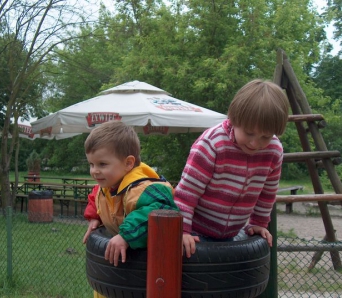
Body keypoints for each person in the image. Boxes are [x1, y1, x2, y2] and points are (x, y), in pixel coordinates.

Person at [174, 79, 290, 258]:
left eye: (265, 136)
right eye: (249, 133)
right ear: (234, 119)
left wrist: (258, 222)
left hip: (232, 234)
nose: (255, 143)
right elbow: (186, 195)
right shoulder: (213, 144)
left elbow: (267, 193)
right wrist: (182, 232)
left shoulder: (273, 151)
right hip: (196, 231)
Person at [82, 120, 178, 271]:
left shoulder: (144, 190)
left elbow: (162, 208)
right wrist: (95, 215)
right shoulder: (107, 185)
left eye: (102, 164)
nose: (94, 171)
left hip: (155, 267)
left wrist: (126, 235)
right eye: (91, 164)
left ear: (128, 163)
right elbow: (96, 195)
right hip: (118, 271)